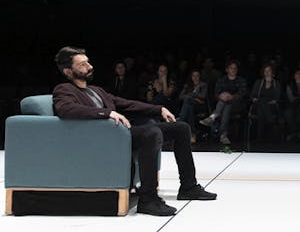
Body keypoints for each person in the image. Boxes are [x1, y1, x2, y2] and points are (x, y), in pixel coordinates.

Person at [52, 47, 217, 217]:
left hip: (120, 135)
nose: (89, 66)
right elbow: (67, 109)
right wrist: (106, 113)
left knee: (181, 128)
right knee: (151, 134)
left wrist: (158, 109)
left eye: (88, 61)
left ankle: (188, 187)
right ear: (68, 71)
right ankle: (148, 199)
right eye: (82, 64)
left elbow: (125, 103)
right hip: (104, 140)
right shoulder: (63, 90)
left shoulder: (96, 90)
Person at [199, 60, 247, 145]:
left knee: (225, 103)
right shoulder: (221, 80)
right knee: (225, 105)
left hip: (237, 105)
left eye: (235, 68)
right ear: (227, 69)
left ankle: (213, 117)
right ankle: (223, 135)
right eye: (231, 68)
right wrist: (221, 96)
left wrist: (231, 96)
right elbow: (216, 94)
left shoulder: (241, 80)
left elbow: (242, 94)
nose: (233, 70)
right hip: (223, 105)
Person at [250, 64, 282, 141]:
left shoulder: (276, 83)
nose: (267, 73)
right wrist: (254, 99)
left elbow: (277, 98)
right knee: (261, 103)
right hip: (258, 105)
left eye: (269, 71)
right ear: (263, 72)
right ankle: (269, 122)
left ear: (272, 72)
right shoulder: (258, 82)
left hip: (271, 106)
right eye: (265, 71)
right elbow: (252, 95)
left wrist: (271, 101)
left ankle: (260, 136)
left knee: (262, 106)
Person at [177, 70, 208, 144]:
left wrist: (191, 95)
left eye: (197, 75)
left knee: (188, 101)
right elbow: (180, 97)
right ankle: (193, 134)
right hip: (191, 106)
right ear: (191, 77)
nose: (195, 77)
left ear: (199, 76)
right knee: (190, 106)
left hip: (200, 106)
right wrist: (193, 97)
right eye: (193, 76)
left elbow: (203, 96)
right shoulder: (188, 85)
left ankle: (180, 121)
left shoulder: (203, 85)